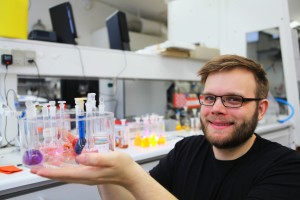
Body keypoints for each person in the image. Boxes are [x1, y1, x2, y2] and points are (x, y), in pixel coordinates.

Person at [31, 55, 300, 200]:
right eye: (209, 98)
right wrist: (106, 175)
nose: (216, 108)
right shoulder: (186, 150)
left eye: (233, 99)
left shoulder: (287, 167)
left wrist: (132, 175)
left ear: (261, 109)